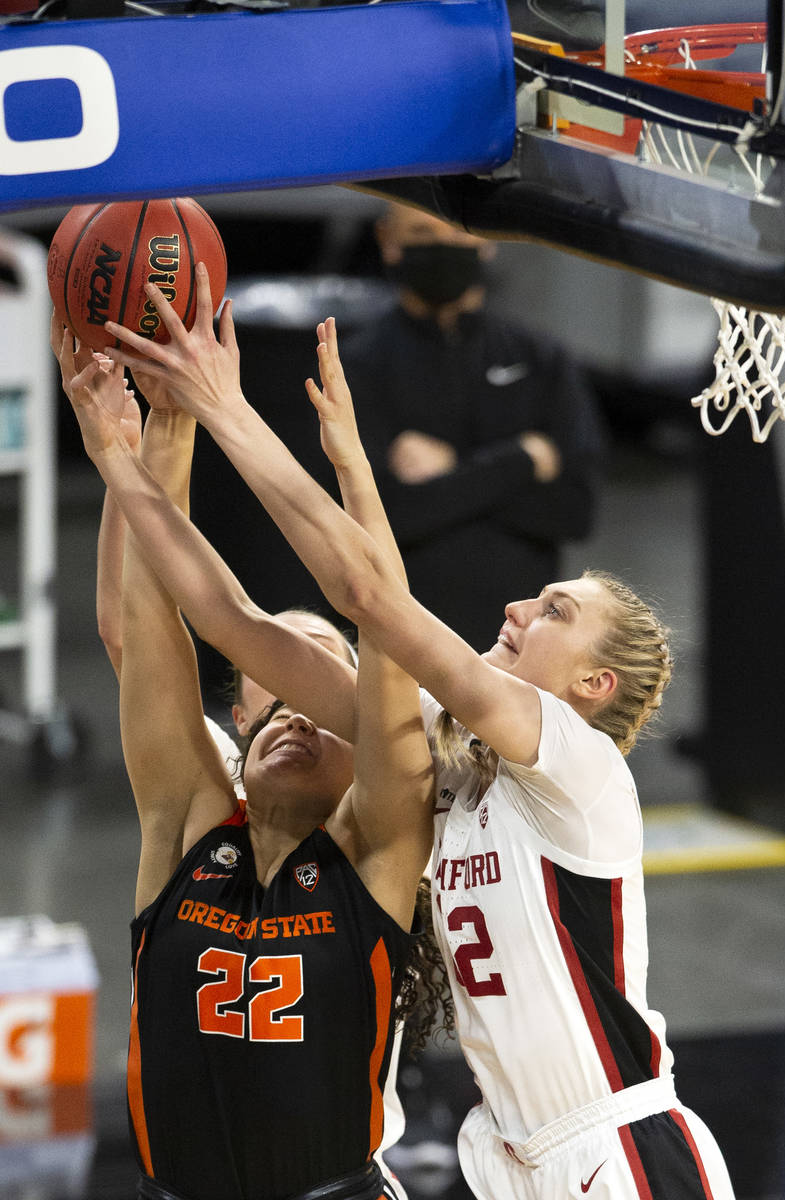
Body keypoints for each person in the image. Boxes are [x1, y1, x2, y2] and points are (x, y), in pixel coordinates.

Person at [101, 267, 736, 1200]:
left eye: (555, 610)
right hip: (510, 1155)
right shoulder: (450, 756)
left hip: (617, 1142)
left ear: (594, 684)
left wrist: (230, 407)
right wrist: (138, 446)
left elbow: (372, 602)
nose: (521, 604)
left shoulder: (578, 764)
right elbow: (232, 621)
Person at [55, 321, 440, 1200]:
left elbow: (383, 619)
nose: (296, 712)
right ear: (240, 711)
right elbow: (148, 628)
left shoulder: (380, 849)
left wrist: (350, 469)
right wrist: (163, 428)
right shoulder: (190, 821)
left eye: (321, 686)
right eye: (276, 687)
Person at [341, 202, 605, 650]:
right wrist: (522, 460)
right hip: (400, 642)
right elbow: (382, 516)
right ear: (388, 241)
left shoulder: (541, 359)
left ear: (487, 238)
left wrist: (452, 470)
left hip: (520, 649)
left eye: (458, 233)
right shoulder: (355, 365)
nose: (443, 248)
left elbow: (574, 510)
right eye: (422, 234)